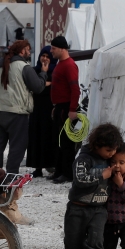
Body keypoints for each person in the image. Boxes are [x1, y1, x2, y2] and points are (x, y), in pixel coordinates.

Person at [64, 123, 123, 249]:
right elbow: (80, 179)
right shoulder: (84, 158)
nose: (112, 153)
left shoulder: (110, 157)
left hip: (99, 209)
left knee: (96, 240)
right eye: (108, 150)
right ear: (97, 145)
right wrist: (102, 174)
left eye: (114, 150)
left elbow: (123, 162)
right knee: (73, 243)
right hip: (77, 208)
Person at [0, 40, 47, 174]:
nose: (29, 52)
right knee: (17, 146)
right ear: (22, 51)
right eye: (28, 49)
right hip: (16, 113)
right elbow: (38, 87)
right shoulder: (24, 67)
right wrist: (43, 73)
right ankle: (11, 175)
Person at [48, 36, 80, 184]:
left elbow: (75, 89)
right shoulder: (60, 64)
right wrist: (55, 106)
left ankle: (67, 173)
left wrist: (72, 109)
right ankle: (59, 170)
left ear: (62, 49)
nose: (51, 51)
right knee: (58, 140)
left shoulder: (69, 65)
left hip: (66, 107)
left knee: (66, 141)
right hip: (60, 107)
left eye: (53, 48)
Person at [26, 46, 57, 178]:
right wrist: (45, 83)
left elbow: (53, 86)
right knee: (36, 137)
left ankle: (52, 165)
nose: (44, 59)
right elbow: (34, 87)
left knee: (49, 136)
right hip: (36, 110)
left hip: (50, 109)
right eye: (43, 56)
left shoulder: (55, 71)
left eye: (48, 57)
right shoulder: (34, 71)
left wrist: (44, 83)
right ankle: (37, 167)